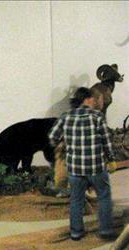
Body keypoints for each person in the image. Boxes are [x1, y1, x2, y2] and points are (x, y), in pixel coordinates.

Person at [49, 87, 118, 241]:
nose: (94, 101)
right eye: (93, 98)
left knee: (76, 200)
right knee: (104, 197)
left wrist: (66, 144)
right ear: (86, 100)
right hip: (96, 168)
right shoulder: (97, 116)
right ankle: (105, 231)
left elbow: (53, 138)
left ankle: (76, 232)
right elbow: (106, 141)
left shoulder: (65, 117)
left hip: (75, 169)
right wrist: (111, 159)